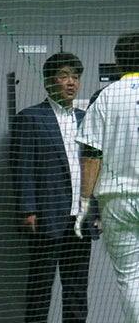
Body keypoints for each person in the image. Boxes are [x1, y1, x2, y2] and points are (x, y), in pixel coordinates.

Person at [12, 52, 98, 323]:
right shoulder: (30, 118)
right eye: (64, 76)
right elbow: (22, 167)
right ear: (48, 81)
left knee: (77, 287)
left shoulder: (86, 118)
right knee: (40, 285)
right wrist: (28, 209)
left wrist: (96, 211)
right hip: (46, 215)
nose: (71, 82)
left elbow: (95, 167)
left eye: (75, 77)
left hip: (80, 217)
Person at [75, 31, 139, 322]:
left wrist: (85, 203)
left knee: (130, 276)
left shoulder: (104, 96)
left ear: (118, 62)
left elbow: (92, 155)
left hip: (116, 201)